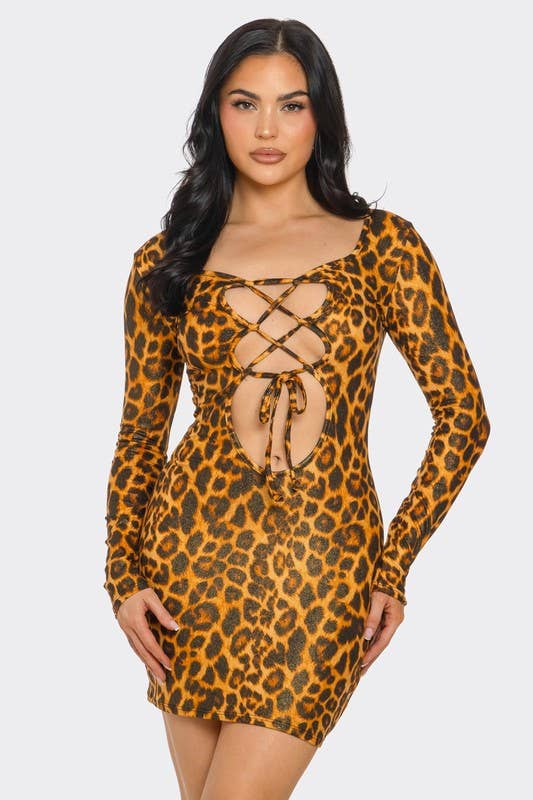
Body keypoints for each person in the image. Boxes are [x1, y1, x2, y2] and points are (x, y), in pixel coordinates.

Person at [103, 18, 491, 800]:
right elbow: (142, 433)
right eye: (244, 103)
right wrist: (122, 575)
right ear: (215, 113)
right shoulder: (166, 259)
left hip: (323, 569)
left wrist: (393, 565)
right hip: (188, 566)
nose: (267, 129)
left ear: (322, 116)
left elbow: (462, 415)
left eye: (292, 104)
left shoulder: (384, 246)